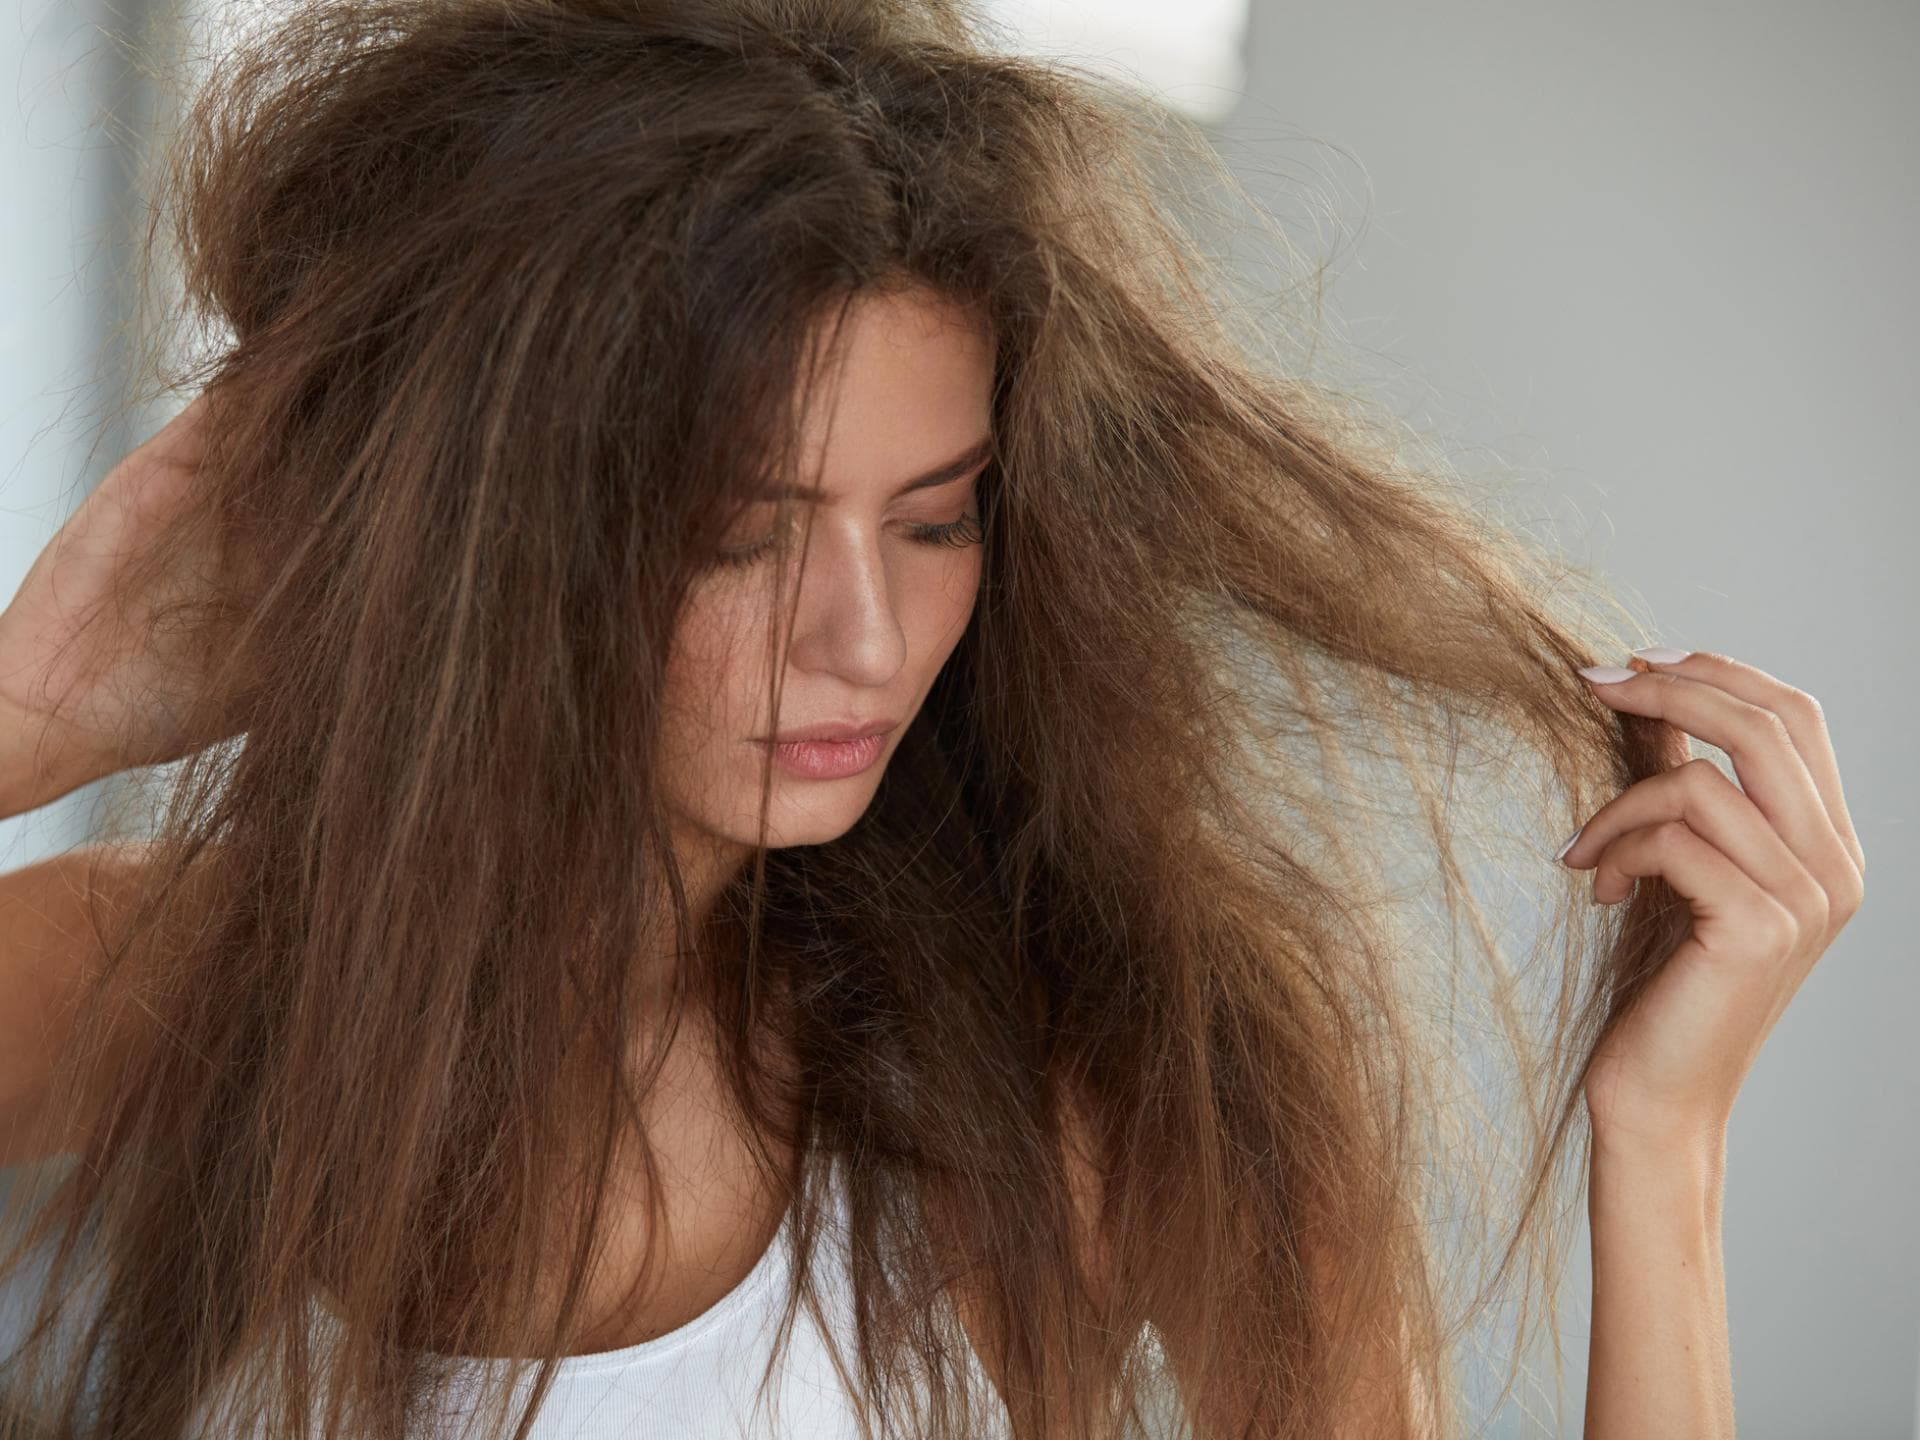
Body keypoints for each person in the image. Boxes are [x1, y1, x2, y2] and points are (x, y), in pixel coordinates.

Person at [0, 0, 1866, 1436]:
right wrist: (33, 716)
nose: (867, 642)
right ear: (494, 536)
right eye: (737, 531)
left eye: (937, 515)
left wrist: (1666, 1150)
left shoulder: (1101, 1097)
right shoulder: (173, 981)